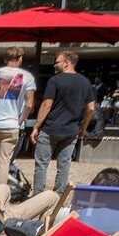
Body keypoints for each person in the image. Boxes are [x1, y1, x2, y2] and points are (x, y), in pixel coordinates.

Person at [31, 50, 95, 195]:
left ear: (67, 63)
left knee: (41, 164)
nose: (54, 65)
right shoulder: (85, 82)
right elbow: (91, 108)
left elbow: (47, 104)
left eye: (57, 61)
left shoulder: (55, 80)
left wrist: (36, 126)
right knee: (64, 165)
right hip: (71, 130)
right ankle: (58, 196)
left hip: (50, 128)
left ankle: (38, 196)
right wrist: (83, 128)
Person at [0, 47, 36, 184]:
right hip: (11, 124)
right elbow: (29, 105)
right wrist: (20, 120)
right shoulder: (27, 77)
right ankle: (0, 197)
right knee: (4, 162)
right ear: (20, 59)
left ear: (5, 58)